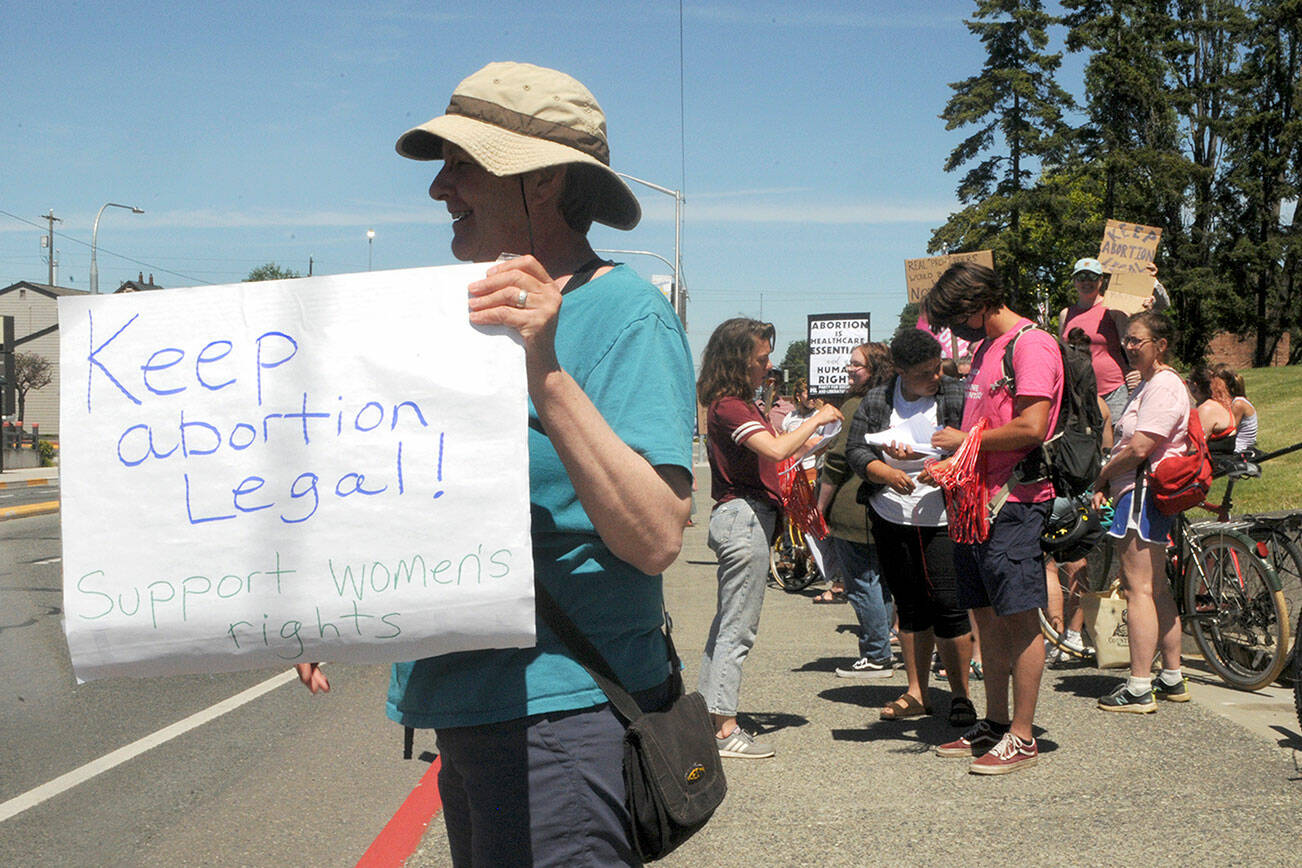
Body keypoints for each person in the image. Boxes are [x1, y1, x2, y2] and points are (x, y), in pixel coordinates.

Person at [293, 62, 696, 866]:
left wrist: (543, 367)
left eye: (464, 165)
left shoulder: (626, 313)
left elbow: (654, 536)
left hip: (565, 715)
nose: (440, 188)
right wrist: (324, 597)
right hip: (472, 710)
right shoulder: (455, 316)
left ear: (543, 181)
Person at [922, 261, 1063, 775]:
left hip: (1016, 503)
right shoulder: (987, 349)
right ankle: (997, 723)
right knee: (985, 616)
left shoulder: (1032, 345)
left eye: (955, 319)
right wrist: (948, 463)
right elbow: (984, 426)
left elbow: (1032, 426)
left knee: (1021, 619)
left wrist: (967, 443)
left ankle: (1023, 737)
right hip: (975, 504)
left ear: (979, 304)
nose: (952, 333)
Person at [698, 318, 842, 759]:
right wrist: (818, 415)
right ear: (740, 360)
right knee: (737, 628)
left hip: (747, 516)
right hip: (742, 517)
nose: (769, 365)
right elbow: (778, 451)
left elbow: (783, 455)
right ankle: (724, 729)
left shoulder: (739, 405)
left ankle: (713, 717)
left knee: (729, 624)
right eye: (762, 358)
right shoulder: (730, 406)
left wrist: (817, 436)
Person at [847, 328, 975, 727]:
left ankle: (960, 695)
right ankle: (916, 691)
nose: (936, 377)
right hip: (891, 513)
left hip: (941, 516)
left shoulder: (955, 393)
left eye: (938, 369)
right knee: (910, 605)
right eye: (925, 373)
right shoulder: (878, 398)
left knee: (950, 607)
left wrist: (948, 465)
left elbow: (976, 442)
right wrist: (884, 471)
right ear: (900, 371)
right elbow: (855, 449)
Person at [1090, 312, 1191, 711]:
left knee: (1138, 590)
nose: (1130, 347)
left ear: (1160, 345)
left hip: (1141, 493)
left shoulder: (1164, 385)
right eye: (1127, 340)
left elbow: (1139, 448)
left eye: (1138, 341)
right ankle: (1171, 676)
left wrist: (1101, 478)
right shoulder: (1150, 384)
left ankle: (1138, 686)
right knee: (1157, 587)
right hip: (1142, 493)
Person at [817, 342, 896, 675]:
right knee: (883, 583)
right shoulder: (897, 401)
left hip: (854, 508)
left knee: (862, 584)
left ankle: (877, 653)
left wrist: (819, 507)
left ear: (874, 369)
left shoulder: (854, 405)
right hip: (890, 506)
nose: (849, 370)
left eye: (856, 365)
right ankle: (884, 644)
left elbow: (836, 461)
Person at [781, 378, 842, 600]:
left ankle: (834, 578)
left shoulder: (825, 415)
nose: (812, 396)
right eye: (807, 392)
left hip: (815, 471)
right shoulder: (790, 418)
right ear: (798, 395)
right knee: (797, 522)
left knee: (818, 523)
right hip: (796, 472)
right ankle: (796, 560)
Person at [1059, 257, 1130, 426]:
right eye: (1081, 277)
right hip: (1078, 391)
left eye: (1092, 277)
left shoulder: (1112, 309)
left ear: (1101, 280)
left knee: (1113, 443)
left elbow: (1128, 344)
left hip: (1112, 389)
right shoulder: (1066, 314)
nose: (1086, 282)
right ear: (1074, 281)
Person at [1188, 366, 1236, 455]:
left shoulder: (1207, 409)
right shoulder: (1219, 402)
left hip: (1214, 464)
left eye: (1188, 382)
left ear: (1195, 385)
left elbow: (1195, 447)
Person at [1214, 364, 1258, 454]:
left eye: (1214, 380)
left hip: (1239, 450)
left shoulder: (1238, 404)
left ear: (1224, 382)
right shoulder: (1233, 401)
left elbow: (1229, 431)